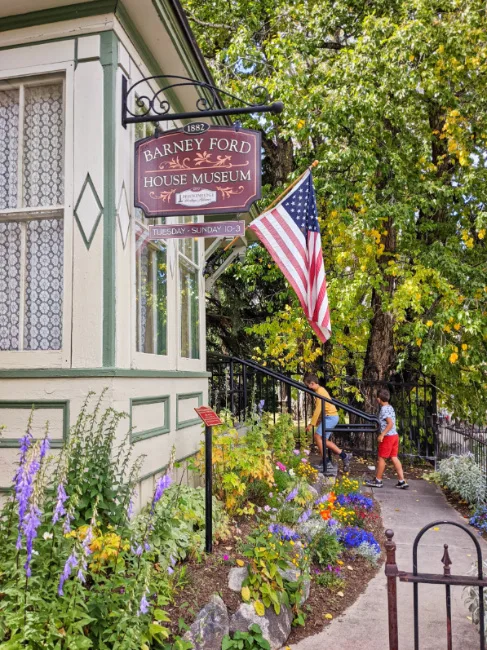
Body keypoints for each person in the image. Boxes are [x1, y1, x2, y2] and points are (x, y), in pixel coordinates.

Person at [304, 372, 351, 473]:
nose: (308, 388)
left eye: (308, 386)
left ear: (312, 383)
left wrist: (311, 424)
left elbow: (318, 408)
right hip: (329, 417)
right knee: (323, 440)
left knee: (317, 437)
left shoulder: (320, 392)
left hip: (331, 417)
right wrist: (319, 420)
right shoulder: (320, 391)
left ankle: (326, 461)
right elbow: (323, 408)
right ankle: (344, 456)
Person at [365, 388, 409, 489]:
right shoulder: (390, 407)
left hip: (388, 437)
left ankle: (378, 480)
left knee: (381, 458)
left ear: (378, 399)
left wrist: (382, 434)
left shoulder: (384, 409)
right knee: (394, 457)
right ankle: (402, 481)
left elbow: (390, 423)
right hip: (394, 436)